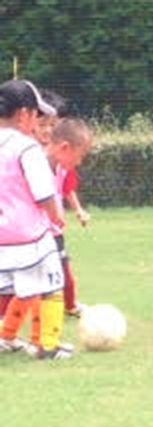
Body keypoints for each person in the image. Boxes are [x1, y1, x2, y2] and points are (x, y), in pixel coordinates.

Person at [0, 79, 65, 357]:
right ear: (24, 114)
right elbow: (43, 193)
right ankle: (47, 346)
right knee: (51, 285)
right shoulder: (27, 148)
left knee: (14, 289)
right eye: (37, 115)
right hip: (29, 236)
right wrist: (57, 215)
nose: (37, 122)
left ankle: (7, 337)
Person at [37, 90, 90, 318]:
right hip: (35, 231)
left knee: (60, 273)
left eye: (52, 124)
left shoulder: (58, 164)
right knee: (29, 283)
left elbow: (66, 189)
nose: (48, 130)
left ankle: (69, 307)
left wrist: (77, 210)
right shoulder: (31, 160)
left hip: (52, 230)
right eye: (42, 124)